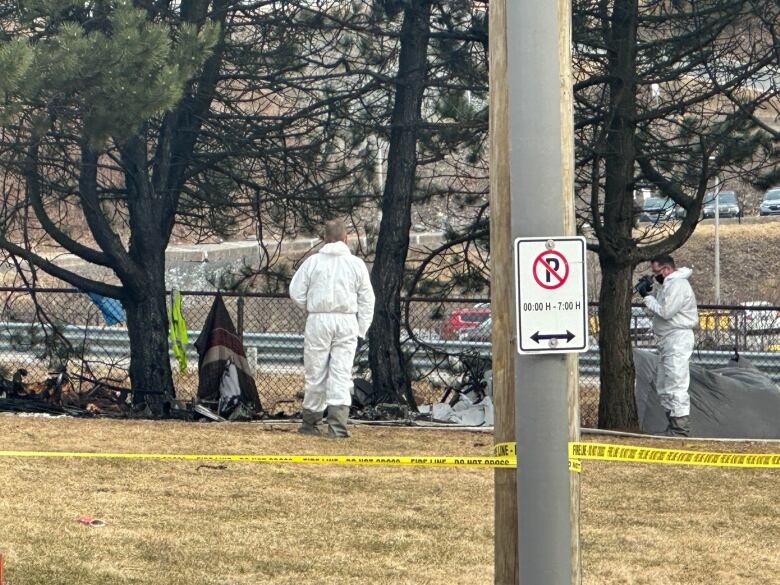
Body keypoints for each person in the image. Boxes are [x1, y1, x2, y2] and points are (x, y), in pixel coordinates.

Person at [289, 220, 375, 438]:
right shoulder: (356, 265)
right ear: (347, 238)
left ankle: (310, 424)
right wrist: (361, 329)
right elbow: (367, 299)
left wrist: (311, 306)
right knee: (341, 373)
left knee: (315, 372)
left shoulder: (313, 262)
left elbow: (295, 291)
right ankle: (337, 427)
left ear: (324, 238)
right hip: (347, 322)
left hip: (318, 320)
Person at [635, 254, 698, 436]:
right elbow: (659, 309)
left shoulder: (677, 284)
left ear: (667, 269)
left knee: (676, 384)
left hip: (677, 339)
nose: (655, 276)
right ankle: (672, 426)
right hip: (667, 340)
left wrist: (647, 297)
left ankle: (680, 431)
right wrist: (652, 293)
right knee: (664, 385)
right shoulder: (668, 285)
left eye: (656, 272)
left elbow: (666, 311)